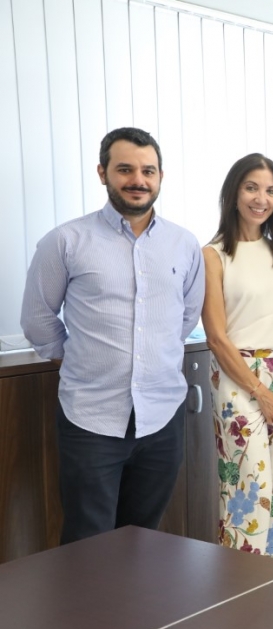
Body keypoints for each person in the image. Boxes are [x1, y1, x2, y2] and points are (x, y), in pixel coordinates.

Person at [20, 127, 205, 544]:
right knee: (89, 543)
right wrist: (80, 359)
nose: (138, 180)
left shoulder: (184, 244)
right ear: (102, 173)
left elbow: (185, 317)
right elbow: (37, 318)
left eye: (148, 171)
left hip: (162, 417)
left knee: (143, 540)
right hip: (91, 418)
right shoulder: (66, 241)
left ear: (160, 176)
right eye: (125, 169)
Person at [202, 154, 273, 559]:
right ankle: (238, 581)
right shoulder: (212, 254)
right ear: (234, 193)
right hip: (239, 378)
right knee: (249, 485)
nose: (262, 199)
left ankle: (272, 577)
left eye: (271, 191)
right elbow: (216, 336)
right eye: (252, 188)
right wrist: (260, 392)